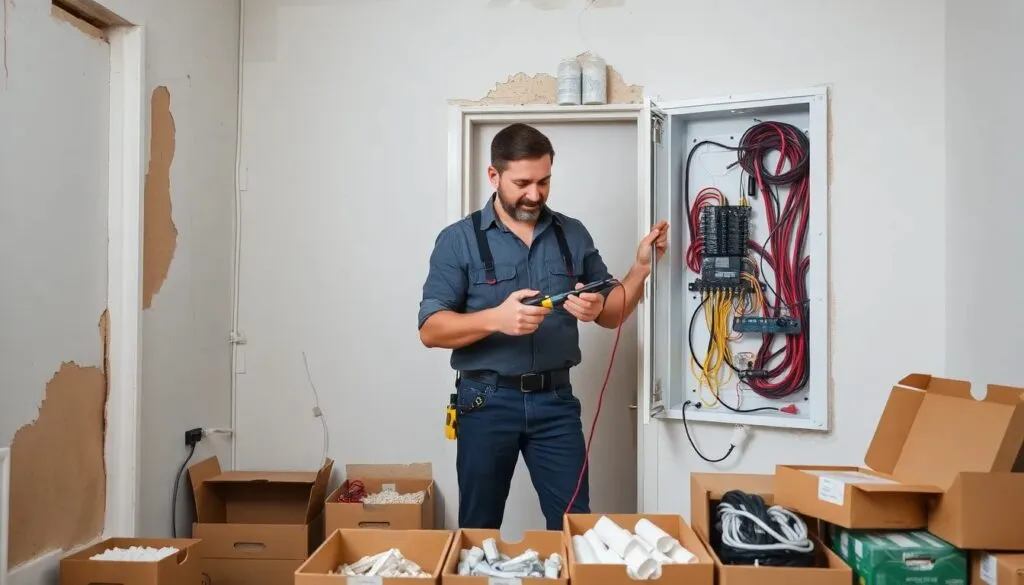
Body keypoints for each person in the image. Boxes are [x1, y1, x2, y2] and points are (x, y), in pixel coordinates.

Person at [417, 122, 669, 530]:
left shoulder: (572, 234)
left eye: (544, 181)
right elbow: (430, 330)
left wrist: (639, 269)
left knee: (575, 525)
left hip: (556, 403)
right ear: (494, 176)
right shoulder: (458, 240)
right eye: (522, 183)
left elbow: (612, 313)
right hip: (484, 402)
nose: (535, 194)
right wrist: (496, 318)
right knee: (478, 528)